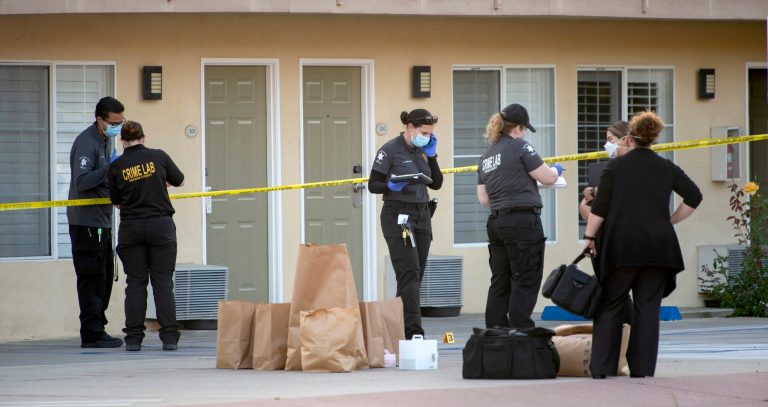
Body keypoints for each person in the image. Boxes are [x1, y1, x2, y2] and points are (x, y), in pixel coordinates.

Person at [582, 111, 702, 378]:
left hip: (621, 247)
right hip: (659, 247)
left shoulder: (614, 168)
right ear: (654, 138)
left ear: (629, 137)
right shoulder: (667, 167)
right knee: (648, 309)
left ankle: (601, 368)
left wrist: (589, 238)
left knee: (611, 304)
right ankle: (643, 370)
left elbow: (599, 210)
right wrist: (668, 221)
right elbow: (694, 196)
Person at [476, 103, 563, 329]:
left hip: (496, 222)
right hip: (522, 222)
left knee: (500, 281)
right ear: (517, 128)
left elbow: (484, 199)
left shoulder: (486, 156)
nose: (524, 133)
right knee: (526, 278)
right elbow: (548, 178)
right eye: (524, 129)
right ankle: (521, 333)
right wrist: (557, 170)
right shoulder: (521, 147)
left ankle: (496, 333)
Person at [108, 121, 185, 352]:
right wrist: (160, 184)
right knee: (163, 284)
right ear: (143, 138)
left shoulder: (116, 166)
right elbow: (180, 179)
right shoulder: (158, 157)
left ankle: (133, 339)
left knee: (135, 284)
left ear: (122, 140)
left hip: (131, 228)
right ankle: (169, 338)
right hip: (160, 226)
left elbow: (117, 202)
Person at [368, 109, 443, 339]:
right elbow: (373, 184)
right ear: (410, 127)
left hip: (422, 216)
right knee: (408, 274)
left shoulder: (423, 151)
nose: (427, 136)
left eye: (430, 133)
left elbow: (437, 184)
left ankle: (398, 330)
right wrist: (390, 186)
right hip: (398, 215)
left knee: (415, 276)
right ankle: (413, 334)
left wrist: (432, 155)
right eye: (424, 132)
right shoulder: (389, 150)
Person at [67, 96, 125, 348]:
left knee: (104, 276)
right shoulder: (86, 142)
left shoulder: (107, 139)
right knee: (91, 276)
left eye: (121, 122)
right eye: (114, 122)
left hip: (103, 220)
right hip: (86, 223)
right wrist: (110, 170)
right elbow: (82, 181)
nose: (118, 127)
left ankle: (98, 325)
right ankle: (91, 332)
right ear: (100, 120)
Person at [579, 120, 630, 220]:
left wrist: (595, 192)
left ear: (625, 139)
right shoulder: (606, 169)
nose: (607, 144)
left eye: (610, 139)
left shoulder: (639, 167)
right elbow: (585, 212)